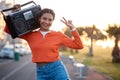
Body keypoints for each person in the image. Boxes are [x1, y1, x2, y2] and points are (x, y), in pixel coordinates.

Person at [3, 4, 83, 80]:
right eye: (44, 18)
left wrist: (73, 29)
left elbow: (79, 45)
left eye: (50, 20)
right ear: (39, 19)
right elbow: (8, 30)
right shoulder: (30, 35)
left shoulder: (58, 35)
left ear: (52, 21)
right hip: (41, 72)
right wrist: (13, 14)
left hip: (57, 69)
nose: (47, 22)